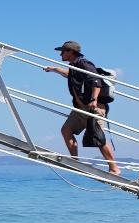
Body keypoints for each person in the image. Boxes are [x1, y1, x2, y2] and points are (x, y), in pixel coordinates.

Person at [43, 40, 121, 176]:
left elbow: (95, 81)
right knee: (66, 130)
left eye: (63, 51)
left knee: (98, 138)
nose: (61, 54)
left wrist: (94, 99)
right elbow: (69, 75)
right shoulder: (74, 66)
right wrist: (54, 69)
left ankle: (114, 168)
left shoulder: (84, 63)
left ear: (71, 52)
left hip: (92, 107)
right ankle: (75, 161)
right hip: (80, 108)